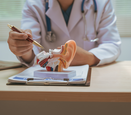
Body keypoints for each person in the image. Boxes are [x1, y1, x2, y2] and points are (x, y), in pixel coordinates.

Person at [7, 0, 121, 67]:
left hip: (91, 78)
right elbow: (31, 52)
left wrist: (90, 58)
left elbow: (112, 44)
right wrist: (24, 48)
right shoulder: (33, 4)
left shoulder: (102, 3)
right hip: (47, 80)